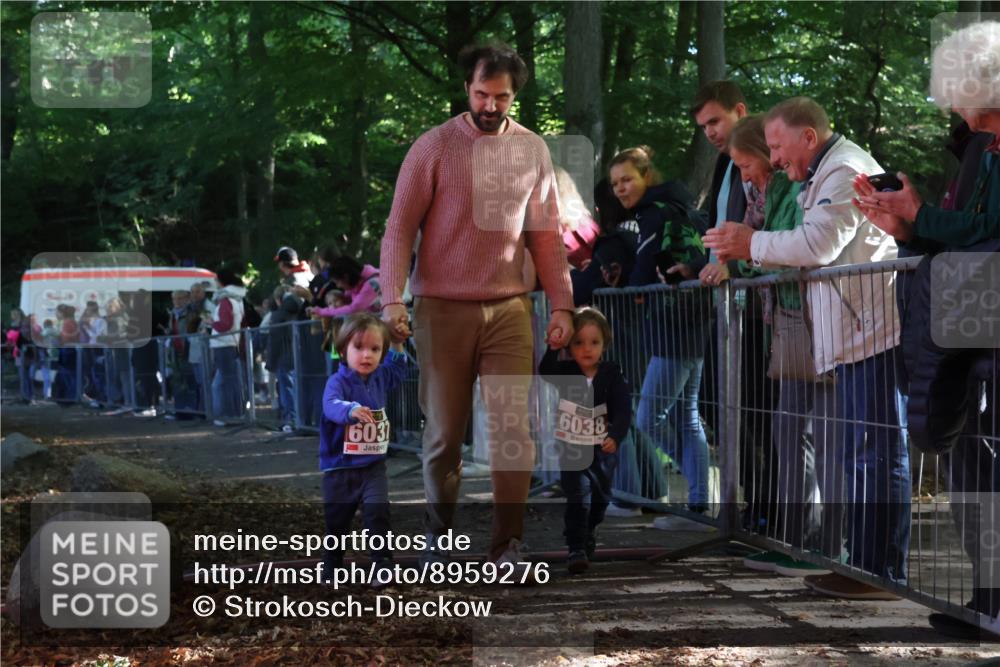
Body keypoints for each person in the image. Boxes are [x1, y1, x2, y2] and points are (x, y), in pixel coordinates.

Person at [704, 97, 908, 599]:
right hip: (853, 332)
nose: (773, 159)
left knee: (875, 452)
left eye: (776, 145)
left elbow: (817, 246)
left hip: (872, 332)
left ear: (808, 139)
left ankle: (881, 572)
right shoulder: (824, 172)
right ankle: (862, 565)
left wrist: (749, 243)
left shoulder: (843, 171)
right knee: (859, 453)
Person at [380, 42, 574, 569]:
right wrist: (392, 299)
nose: (491, 106)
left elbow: (546, 235)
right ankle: (437, 535)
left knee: (514, 430)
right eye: (482, 94)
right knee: (444, 432)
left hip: (509, 308)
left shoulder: (533, 149)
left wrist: (562, 305)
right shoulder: (434, 146)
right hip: (441, 308)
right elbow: (399, 228)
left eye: (502, 97)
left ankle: (507, 543)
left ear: (515, 96)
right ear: (468, 88)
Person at [851, 20, 999, 635]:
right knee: (972, 459)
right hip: (972, 320)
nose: (953, 100)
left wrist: (921, 217)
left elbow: (987, 231)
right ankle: (987, 596)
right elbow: (970, 228)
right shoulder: (981, 150)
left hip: (983, 318)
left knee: (984, 455)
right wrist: (908, 226)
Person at [707, 115, 837, 578]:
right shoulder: (767, 195)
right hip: (784, 321)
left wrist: (743, 261)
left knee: (816, 436)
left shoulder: (792, 190)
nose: (743, 178)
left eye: (746, 166)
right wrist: (739, 263)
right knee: (790, 432)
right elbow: (766, 249)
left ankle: (816, 544)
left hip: (810, 319)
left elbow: (792, 248)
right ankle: (795, 538)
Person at [610, 145, 712, 522]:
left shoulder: (653, 213)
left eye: (627, 180)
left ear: (646, 175)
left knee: (649, 416)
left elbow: (644, 266)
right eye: (615, 184)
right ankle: (699, 502)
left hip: (674, 326)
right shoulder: (678, 205)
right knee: (687, 415)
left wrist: (629, 292)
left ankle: (699, 492)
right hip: (693, 321)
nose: (620, 189)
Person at [538, 307, 631, 573]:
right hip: (573, 447)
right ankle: (576, 547)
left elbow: (624, 409)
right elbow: (545, 370)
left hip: (603, 450)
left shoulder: (612, 374)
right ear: (570, 345)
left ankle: (589, 532)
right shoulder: (566, 372)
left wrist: (616, 435)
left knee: (600, 500)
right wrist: (554, 346)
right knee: (577, 496)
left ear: (605, 343)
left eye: (594, 342)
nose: (587, 349)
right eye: (578, 343)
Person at [320, 313, 408, 583]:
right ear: (343, 349)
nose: (366, 355)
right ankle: (332, 565)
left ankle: (382, 564)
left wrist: (398, 343)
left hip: (373, 465)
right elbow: (330, 405)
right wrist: (351, 410)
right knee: (338, 520)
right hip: (341, 467)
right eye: (358, 348)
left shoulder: (380, 375)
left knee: (378, 512)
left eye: (375, 349)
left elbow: (398, 370)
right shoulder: (338, 381)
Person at [206, 266, 246, 426]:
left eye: (216, 279)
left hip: (224, 346)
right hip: (230, 344)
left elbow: (225, 324)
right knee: (228, 381)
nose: (214, 282)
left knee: (222, 383)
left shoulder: (226, 300)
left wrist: (211, 322)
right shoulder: (236, 299)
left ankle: (226, 415)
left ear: (221, 281)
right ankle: (233, 414)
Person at [308, 256, 382, 318]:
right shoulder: (356, 284)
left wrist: (321, 312)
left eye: (337, 282)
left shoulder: (373, 284)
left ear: (345, 277)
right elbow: (345, 298)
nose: (338, 286)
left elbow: (353, 309)